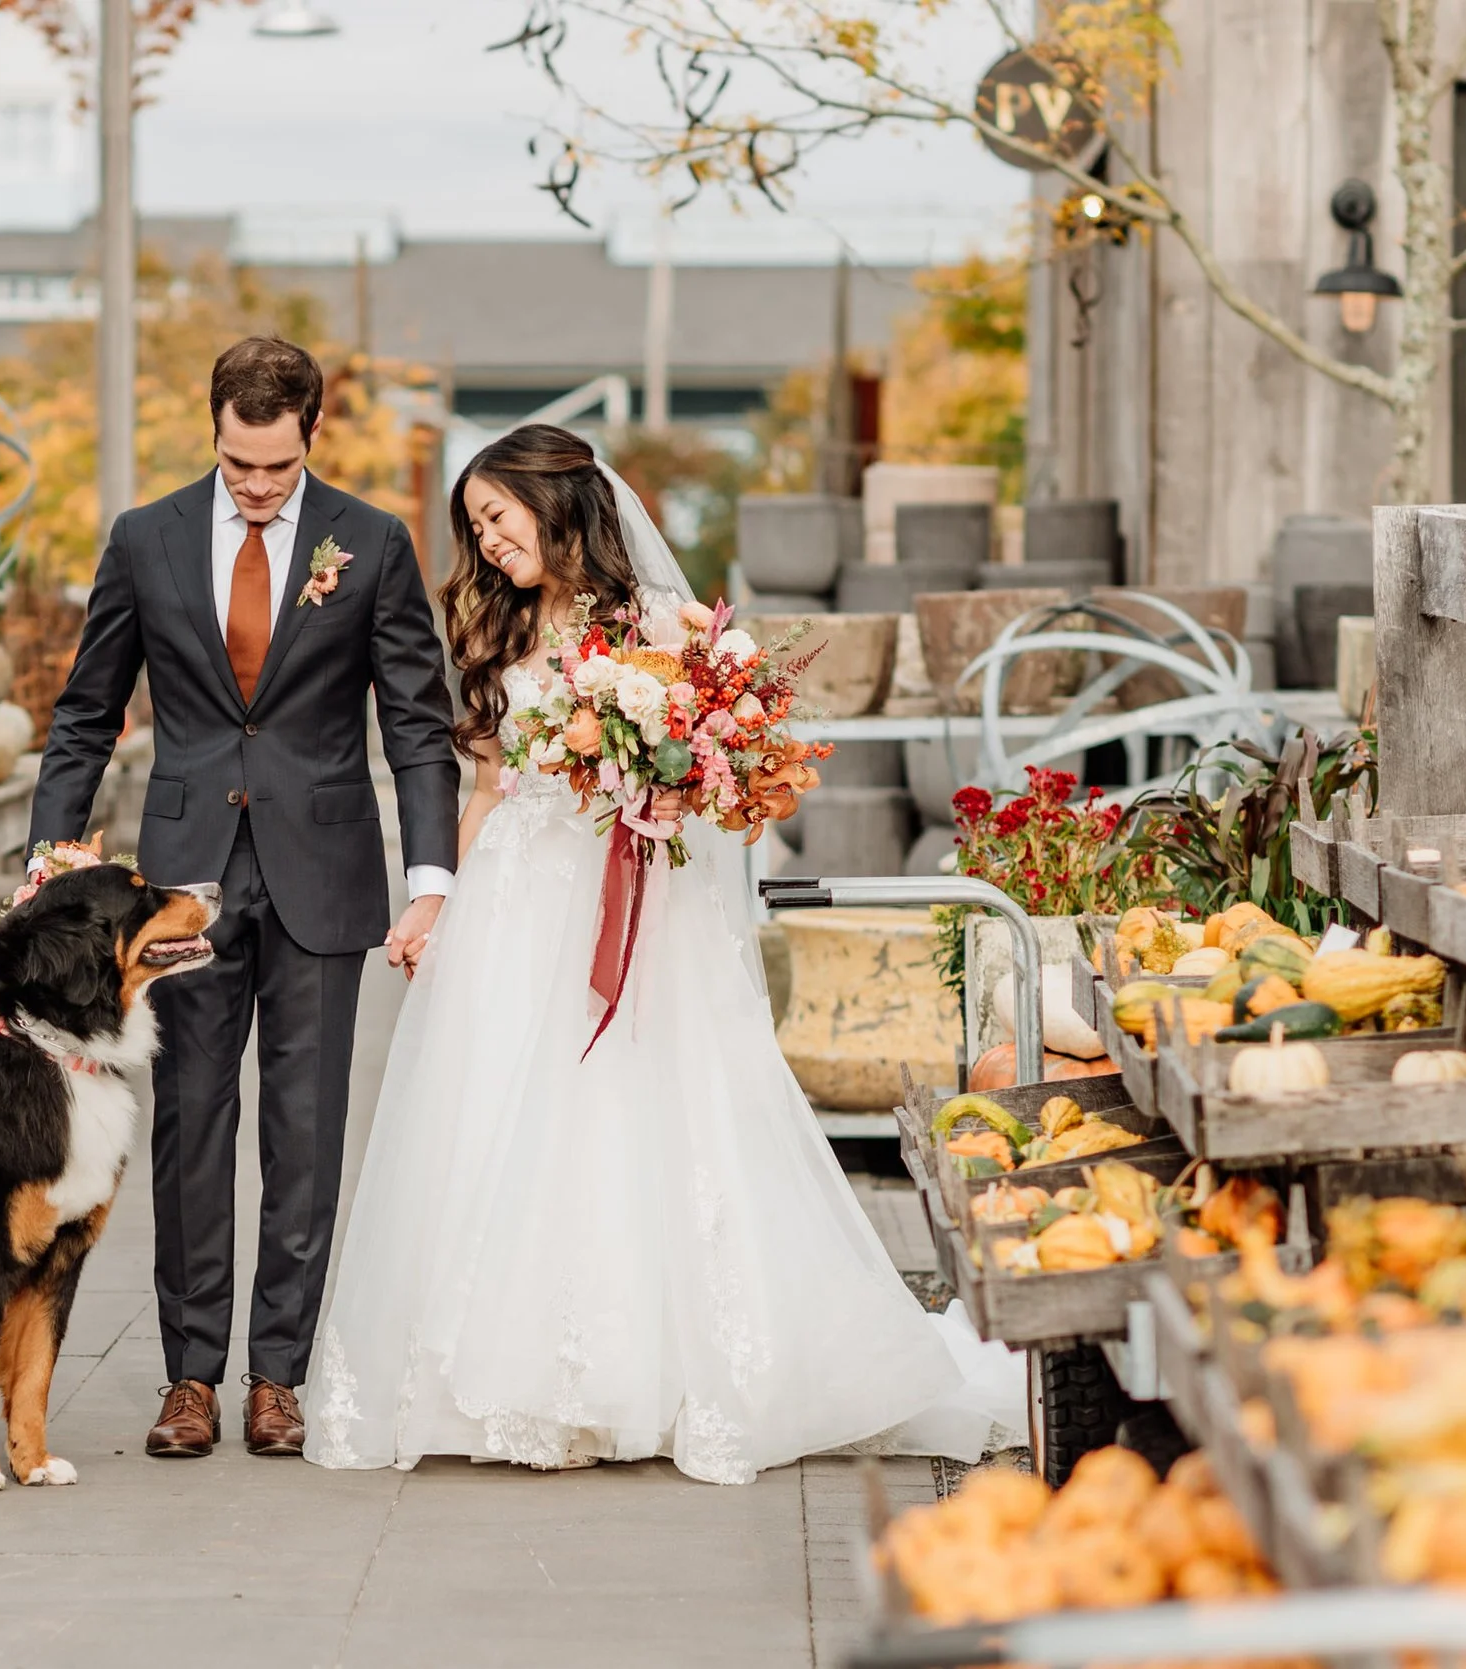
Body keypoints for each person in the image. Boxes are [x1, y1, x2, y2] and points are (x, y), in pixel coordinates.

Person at [302, 424, 1022, 1482]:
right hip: (515, 900)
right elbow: (492, 786)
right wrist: (436, 904)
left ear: (553, 504)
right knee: (497, 1114)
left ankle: (650, 1369)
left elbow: (718, 783)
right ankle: (502, 1377)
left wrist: (677, 781)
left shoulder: (658, 629)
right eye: (475, 530)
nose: (487, 546)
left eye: (496, 520)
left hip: (626, 900)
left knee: (634, 1111)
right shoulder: (501, 626)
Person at [27, 337, 461, 1460]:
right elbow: (87, 710)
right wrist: (53, 848)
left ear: (310, 434)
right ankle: (189, 1378)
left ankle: (279, 1375)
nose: (255, 486)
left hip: (324, 874)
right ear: (212, 432)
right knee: (190, 1130)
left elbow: (416, 721)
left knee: (307, 1135)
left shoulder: (371, 543)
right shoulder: (145, 539)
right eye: (236, 464)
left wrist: (431, 879)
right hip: (182, 889)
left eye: (273, 467)